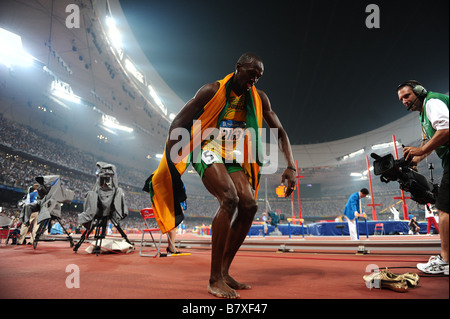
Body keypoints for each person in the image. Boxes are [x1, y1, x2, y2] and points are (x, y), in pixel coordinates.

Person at [145, 53, 296, 298]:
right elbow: (178, 122)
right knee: (229, 198)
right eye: (251, 74)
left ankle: (224, 272)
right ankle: (214, 279)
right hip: (203, 147)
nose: (254, 80)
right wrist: (172, 163)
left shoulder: (259, 99)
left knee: (249, 205)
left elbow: (280, 131)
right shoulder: (211, 90)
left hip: (230, 153)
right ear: (238, 67)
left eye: (258, 77)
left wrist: (291, 166)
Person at [397, 80, 449, 275]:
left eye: (407, 96)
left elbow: (446, 131)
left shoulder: (432, 102)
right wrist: (416, 158)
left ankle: (445, 260)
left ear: (419, 92)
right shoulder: (423, 115)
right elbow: (432, 142)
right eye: (401, 99)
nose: (404, 101)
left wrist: (421, 149)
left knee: (444, 208)